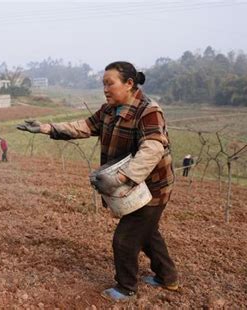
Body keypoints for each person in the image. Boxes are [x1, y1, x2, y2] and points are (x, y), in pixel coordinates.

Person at [17, 61, 177, 302]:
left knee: (125, 239)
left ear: (129, 84)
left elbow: (152, 148)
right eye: (103, 84)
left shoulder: (148, 111)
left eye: (109, 83)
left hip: (152, 187)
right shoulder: (109, 110)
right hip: (133, 185)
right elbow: (83, 127)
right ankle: (167, 278)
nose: (105, 89)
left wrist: (121, 178)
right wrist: (45, 128)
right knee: (147, 233)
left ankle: (126, 288)